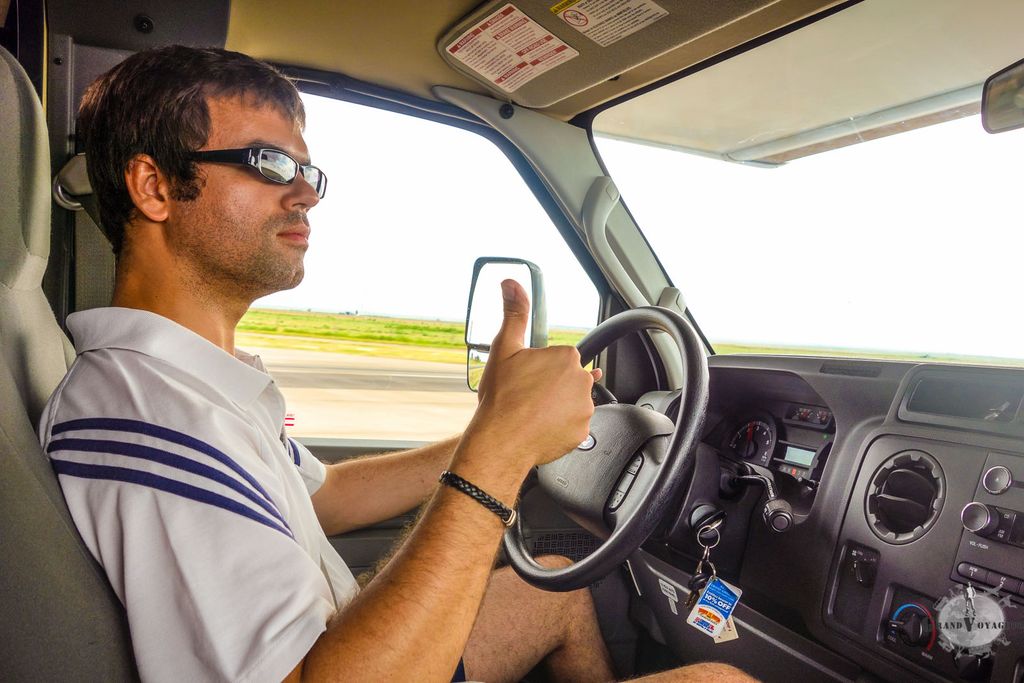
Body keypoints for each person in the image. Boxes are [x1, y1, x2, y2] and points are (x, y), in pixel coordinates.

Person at [39, 45, 755, 682]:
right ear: (153, 187)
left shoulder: (187, 383)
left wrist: (503, 433)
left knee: (556, 585)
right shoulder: (152, 416)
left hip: (356, 648)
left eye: (309, 168)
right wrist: (501, 451)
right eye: (269, 164)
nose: (308, 192)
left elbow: (325, 497)